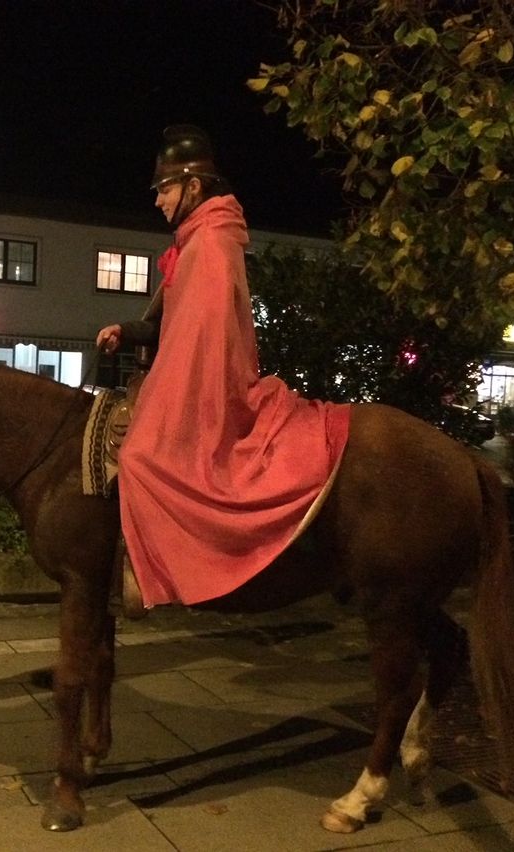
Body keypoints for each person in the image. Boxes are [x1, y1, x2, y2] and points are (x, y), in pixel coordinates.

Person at [96, 125, 350, 610]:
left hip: (209, 384)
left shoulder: (209, 244)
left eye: (164, 189)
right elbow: (177, 322)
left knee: (140, 458)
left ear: (193, 186)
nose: (158, 201)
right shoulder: (198, 241)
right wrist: (128, 330)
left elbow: (202, 342)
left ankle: (166, 574)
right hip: (187, 372)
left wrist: (169, 395)